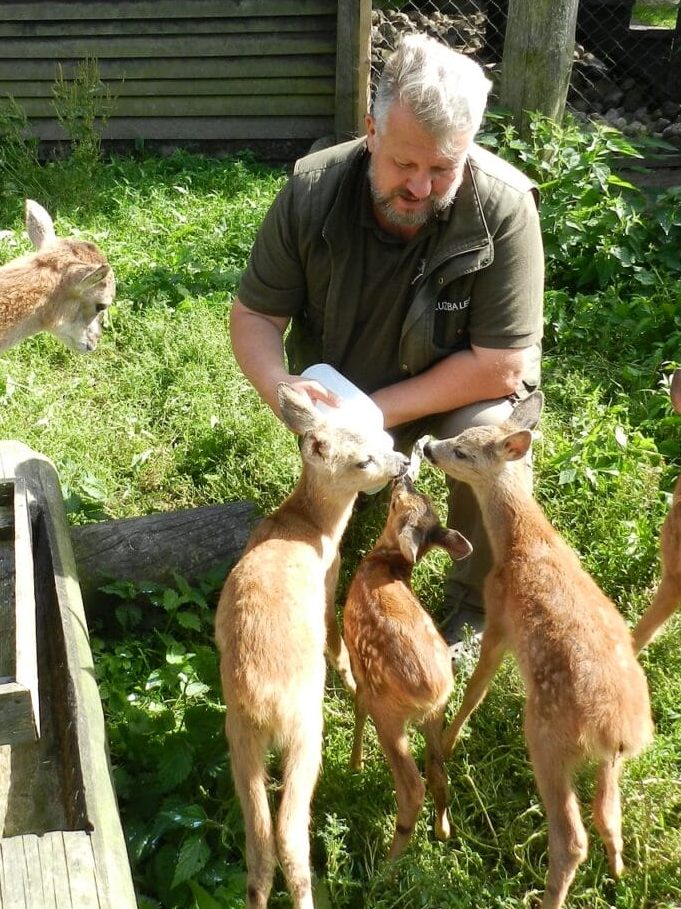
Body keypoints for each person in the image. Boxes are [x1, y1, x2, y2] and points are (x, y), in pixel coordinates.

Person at [230, 33, 544, 655]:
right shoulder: (313, 191)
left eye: (442, 169)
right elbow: (253, 318)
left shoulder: (504, 210)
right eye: (404, 163)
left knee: (493, 433)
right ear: (372, 130)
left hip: (445, 400)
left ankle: (474, 605)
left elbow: (502, 366)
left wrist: (376, 415)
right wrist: (284, 392)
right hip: (344, 402)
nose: (420, 188)